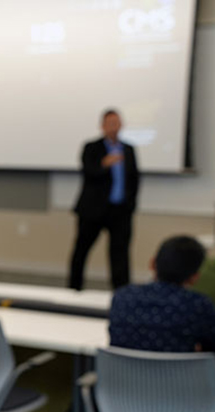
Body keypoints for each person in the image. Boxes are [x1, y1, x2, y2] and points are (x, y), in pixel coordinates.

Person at [69, 109, 140, 291]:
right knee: (81, 251)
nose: (113, 127)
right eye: (110, 123)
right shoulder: (92, 147)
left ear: (121, 125)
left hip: (120, 210)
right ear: (102, 126)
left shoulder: (128, 150)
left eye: (117, 123)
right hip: (93, 210)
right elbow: (88, 172)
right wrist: (104, 164)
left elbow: (134, 179)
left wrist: (130, 205)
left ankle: (121, 293)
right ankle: (73, 289)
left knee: (120, 255)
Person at [109, 236, 215, 352]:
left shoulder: (122, 297)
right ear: (194, 277)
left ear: (152, 264)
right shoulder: (199, 305)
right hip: (178, 370)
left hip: (123, 370)